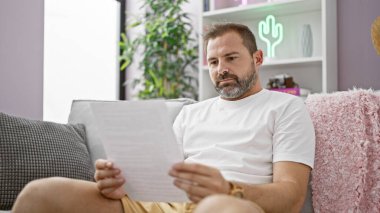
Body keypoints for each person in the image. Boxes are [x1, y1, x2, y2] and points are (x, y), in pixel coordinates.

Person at [12, 23, 315, 213]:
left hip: (231, 204)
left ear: (257, 59)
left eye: (231, 58)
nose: (221, 68)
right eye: (213, 61)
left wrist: (227, 189)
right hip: (163, 205)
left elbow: (290, 197)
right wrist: (120, 183)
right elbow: (161, 177)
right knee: (40, 193)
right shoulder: (191, 113)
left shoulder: (286, 108)